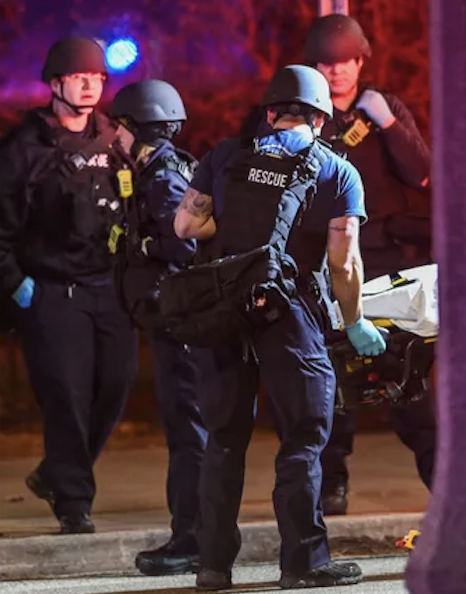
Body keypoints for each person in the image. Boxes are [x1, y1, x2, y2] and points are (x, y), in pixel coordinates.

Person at [172, 64, 385, 590]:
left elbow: (185, 224)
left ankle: (212, 565)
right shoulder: (337, 172)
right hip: (288, 315)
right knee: (302, 439)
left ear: (269, 114)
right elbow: (344, 263)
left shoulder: (224, 155)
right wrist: (355, 321)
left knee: (223, 439)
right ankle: (302, 562)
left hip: (223, 313)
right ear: (321, 119)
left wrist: (234, 233)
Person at [0, 36, 139, 535]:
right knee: (67, 396)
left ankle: (57, 472)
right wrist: (18, 285)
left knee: (116, 385)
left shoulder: (117, 140)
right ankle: (74, 502)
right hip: (53, 291)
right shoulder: (24, 149)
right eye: (79, 77)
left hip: (108, 288)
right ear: (55, 83)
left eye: (96, 77)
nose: (89, 86)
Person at [303, 13, 437, 516]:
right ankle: (330, 486)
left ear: (361, 62)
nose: (336, 71)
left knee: (409, 375)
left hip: (384, 258)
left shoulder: (383, 109)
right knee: (332, 379)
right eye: (326, 64)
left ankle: (446, 485)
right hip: (325, 263)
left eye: (345, 62)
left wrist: (389, 124)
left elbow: (423, 173)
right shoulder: (304, 112)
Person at [109, 79, 207, 575]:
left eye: (121, 127)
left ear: (139, 128)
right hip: (173, 321)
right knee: (189, 430)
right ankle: (197, 535)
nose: (116, 136)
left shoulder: (164, 177)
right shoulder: (159, 169)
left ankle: (192, 540)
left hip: (180, 324)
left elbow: (183, 244)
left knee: (189, 433)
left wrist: (143, 247)